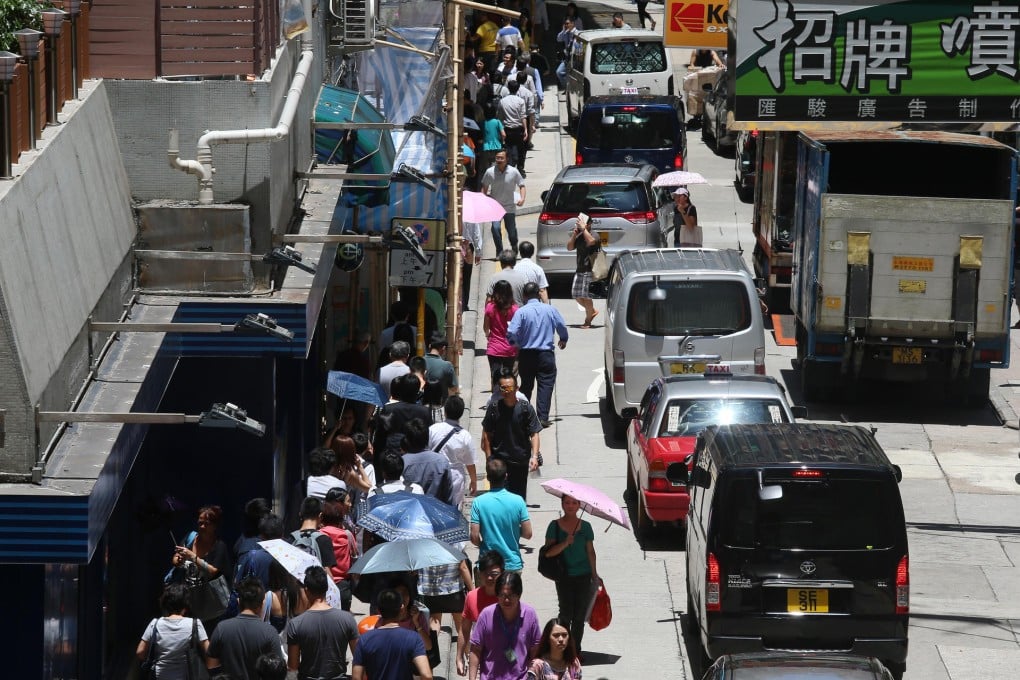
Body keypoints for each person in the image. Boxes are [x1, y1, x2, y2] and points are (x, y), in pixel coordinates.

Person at [507, 282, 569, 428]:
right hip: (545, 354)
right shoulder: (550, 310)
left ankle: (523, 415)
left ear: (524, 295)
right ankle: (542, 417)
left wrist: (515, 344)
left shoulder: (521, 312)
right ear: (539, 294)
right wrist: (563, 339)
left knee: (526, 386)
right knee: (546, 385)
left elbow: (511, 333)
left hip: (526, 354)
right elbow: (561, 326)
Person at [542, 495, 598, 654]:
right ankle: (562, 649)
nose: (570, 506)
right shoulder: (554, 526)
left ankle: (575, 651)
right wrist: (565, 543)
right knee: (566, 613)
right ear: (562, 504)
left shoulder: (586, 527)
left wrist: (594, 574)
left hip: (584, 575)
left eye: (574, 503)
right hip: (564, 576)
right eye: (567, 502)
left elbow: (590, 552)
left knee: (580, 616)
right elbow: (548, 553)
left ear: (580, 505)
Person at [286, 566, 360, 680]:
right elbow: (359, 657)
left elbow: (293, 666)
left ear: (306, 590)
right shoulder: (347, 619)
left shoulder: (296, 624)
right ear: (326, 589)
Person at [480, 371, 542, 500]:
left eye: (509, 388)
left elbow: (534, 434)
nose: (506, 391)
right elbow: (487, 434)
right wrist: (489, 458)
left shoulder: (526, 409)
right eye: (503, 388)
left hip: (520, 462)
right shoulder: (494, 408)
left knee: (518, 499)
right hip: (499, 463)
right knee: (498, 499)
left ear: (516, 388)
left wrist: (534, 456)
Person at [468, 572, 542, 680]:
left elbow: (535, 650)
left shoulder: (530, 615)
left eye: (511, 595)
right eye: (502, 595)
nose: (506, 600)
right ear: (497, 595)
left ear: (519, 595)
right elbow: (475, 650)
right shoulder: (486, 615)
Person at [206, 577, 283, 680]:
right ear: (261, 605)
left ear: (239, 602)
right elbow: (278, 669)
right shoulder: (270, 632)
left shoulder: (221, 628)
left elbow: (211, 665)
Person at [169, 505, 231, 628]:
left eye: (206, 524)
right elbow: (176, 558)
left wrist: (193, 557)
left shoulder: (219, 546)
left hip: (209, 601)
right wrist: (178, 560)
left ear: (214, 526)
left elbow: (214, 571)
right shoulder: (190, 538)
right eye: (200, 523)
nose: (202, 526)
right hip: (187, 599)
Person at [352, 588, 432, 680]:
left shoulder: (364, 640)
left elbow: (356, 677)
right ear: (401, 609)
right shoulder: (414, 638)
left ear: (378, 610)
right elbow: (427, 675)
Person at [470, 458, 533, 572]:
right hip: (512, 564)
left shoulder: (478, 502)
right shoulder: (518, 501)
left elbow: (474, 537)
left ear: (488, 478)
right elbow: (528, 534)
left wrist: (483, 545)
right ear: (506, 476)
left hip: (487, 565)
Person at [136, 583, 210, 679]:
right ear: (185, 605)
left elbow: (140, 652)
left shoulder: (155, 624)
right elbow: (209, 652)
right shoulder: (194, 624)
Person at [456, 551, 505, 676]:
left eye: (494, 574)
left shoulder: (508, 597)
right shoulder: (472, 597)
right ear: (480, 574)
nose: (489, 578)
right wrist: (459, 657)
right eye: (485, 574)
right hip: (479, 656)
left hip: (506, 654)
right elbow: (464, 629)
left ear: (502, 573)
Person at [428, 394, 479, 509]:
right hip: (455, 477)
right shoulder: (465, 435)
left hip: (434, 473)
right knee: (453, 509)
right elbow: (470, 462)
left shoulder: (433, 429)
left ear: (445, 411)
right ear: (461, 413)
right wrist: (474, 481)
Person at [400, 418, 457, 506]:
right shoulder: (442, 462)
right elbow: (448, 496)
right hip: (436, 513)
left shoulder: (401, 463)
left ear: (407, 440)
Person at [372, 373, 432, 452]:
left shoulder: (389, 409)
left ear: (401, 389)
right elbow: (428, 437)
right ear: (418, 391)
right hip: (416, 453)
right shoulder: (425, 411)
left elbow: (379, 437)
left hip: (392, 455)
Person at [482, 150, 526, 255]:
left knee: (511, 232)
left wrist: (522, 198)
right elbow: (484, 188)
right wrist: (483, 200)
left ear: (507, 159)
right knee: (495, 228)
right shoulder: (489, 172)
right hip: (495, 206)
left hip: (509, 206)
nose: (499, 160)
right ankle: (499, 250)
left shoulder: (514, 172)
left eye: (501, 158)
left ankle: (514, 245)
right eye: (497, 158)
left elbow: (522, 185)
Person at [319, 499, 357, 611]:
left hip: (323, 584)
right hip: (343, 586)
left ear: (322, 517)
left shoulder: (319, 534)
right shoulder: (347, 535)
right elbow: (354, 555)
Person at [286, 496, 338, 571]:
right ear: (320, 515)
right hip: (315, 581)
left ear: (300, 514)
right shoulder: (324, 539)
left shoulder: (291, 538)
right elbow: (327, 571)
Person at [566, 215, 600, 328]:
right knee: (576, 295)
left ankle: (588, 321)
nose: (579, 224)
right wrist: (575, 234)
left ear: (589, 224)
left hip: (589, 270)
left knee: (586, 296)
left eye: (581, 223)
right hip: (579, 269)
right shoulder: (580, 235)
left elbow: (591, 241)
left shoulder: (594, 234)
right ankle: (592, 311)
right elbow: (569, 247)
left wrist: (584, 229)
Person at [484, 280, 519, 387]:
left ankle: (495, 400)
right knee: (509, 376)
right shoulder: (515, 309)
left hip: (494, 348)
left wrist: (488, 336)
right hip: (510, 349)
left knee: (495, 377)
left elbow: (485, 327)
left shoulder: (490, 307)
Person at [496, 81, 530, 176]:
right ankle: (520, 169)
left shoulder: (502, 101)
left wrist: (501, 129)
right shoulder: (520, 101)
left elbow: (500, 117)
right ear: (518, 88)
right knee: (521, 150)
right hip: (518, 129)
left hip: (507, 129)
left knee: (508, 149)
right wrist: (526, 130)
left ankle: (509, 168)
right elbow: (523, 116)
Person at [424, 332, 459, 401]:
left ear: (429, 346)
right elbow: (454, 388)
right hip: (440, 404)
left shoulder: (419, 362)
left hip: (421, 405)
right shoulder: (447, 366)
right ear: (443, 348)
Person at [555, 18, 579, 89]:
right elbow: (558, 39)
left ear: (572, 24)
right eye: (565, 24)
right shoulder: (565, 33)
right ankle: (567, 87)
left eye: (567, 23)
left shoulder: (577, 33)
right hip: (566, 58)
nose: (566, 25)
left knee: (573, 74)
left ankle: (572, 88)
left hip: (574, 58)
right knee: (559, 72)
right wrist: (563, 31)